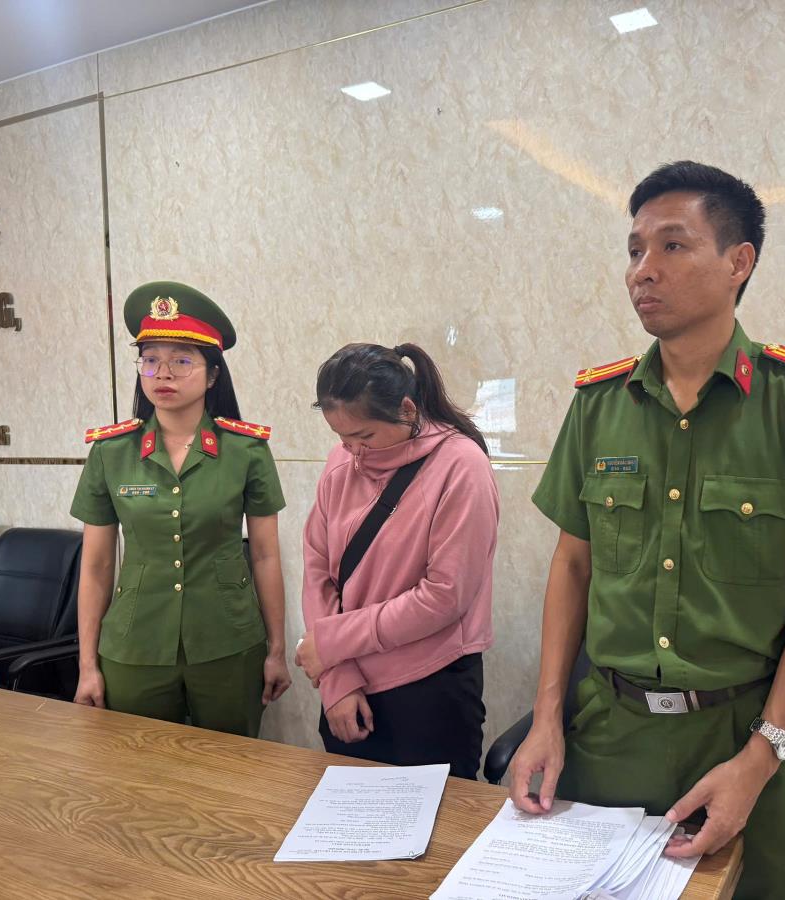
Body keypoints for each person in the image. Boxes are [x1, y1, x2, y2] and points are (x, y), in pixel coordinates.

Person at [507, 161, 785, 899]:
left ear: (739, 262)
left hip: (746, 738)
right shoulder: (599, 403)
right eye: (635, 249)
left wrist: (760, 758)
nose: (642, 270)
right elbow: (573, 567)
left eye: (672, 246)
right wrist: (546, 717)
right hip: (610, 737)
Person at [70, 281, 290, 737]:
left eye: (182, 360)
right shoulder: (111, 452)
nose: (163, 373)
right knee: (137, 768)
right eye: (150, 360)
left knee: (232, 767)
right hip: (134, 646)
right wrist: (87, 665)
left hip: (228, 644)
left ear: (213, 375)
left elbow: (266, 555)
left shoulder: (246, 450)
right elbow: (96, 565)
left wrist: (276, 649)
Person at [294, 343, 499, 780]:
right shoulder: (340, 463)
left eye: (364, 437)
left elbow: (444, 596)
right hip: (346, 687)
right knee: (347, 815)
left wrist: (331, 642)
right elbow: (317, 570)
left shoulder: (461, 465)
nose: (353, 452)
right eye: (342, 438)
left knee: (438, 820)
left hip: (430, 689)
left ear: (407, 409)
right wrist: (336, 679)